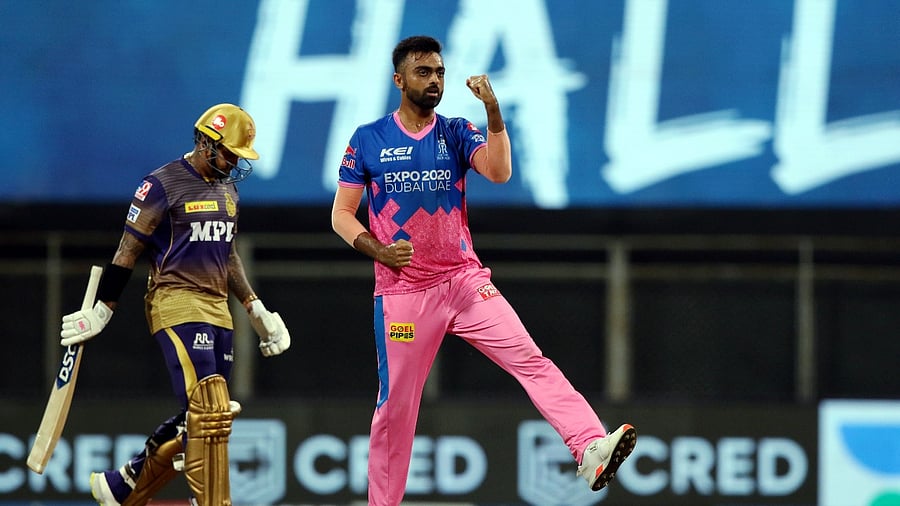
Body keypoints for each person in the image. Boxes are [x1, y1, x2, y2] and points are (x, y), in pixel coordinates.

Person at [330, 35, 636, 505]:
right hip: (404, 293)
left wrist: (493, 113)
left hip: (465, 283)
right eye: (423, 72)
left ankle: (589, 446)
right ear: (399, 79)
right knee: (397, 410)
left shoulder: (455, 130)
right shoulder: (368, 139)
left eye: (439, 73)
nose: (434, 81)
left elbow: (498, 171)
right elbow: (342, 215)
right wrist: (379, 250)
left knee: (532, 361)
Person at [59, 103, 291, 506]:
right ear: (205, 142)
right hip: (176, 300)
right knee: (210, 411)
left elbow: (229, 254)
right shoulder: (162, 184)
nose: (235, 162)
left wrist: (256, 310)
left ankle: (122, 486)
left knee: (200, 419)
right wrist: (102, 310)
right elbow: (126, 251)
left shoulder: (227, 189)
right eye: (230, 152)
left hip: (219, 308)